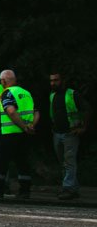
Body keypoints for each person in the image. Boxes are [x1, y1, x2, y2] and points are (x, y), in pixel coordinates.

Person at [0, 69, 39, 199]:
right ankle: (25, 191)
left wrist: (23, 126)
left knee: (0, 162)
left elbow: (11, 111)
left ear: (3, 81)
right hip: (24, 136)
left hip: (9, 134)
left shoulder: (7, 93)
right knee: (23, 163)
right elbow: (36, 112)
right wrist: (31, 126)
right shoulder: (26, 93)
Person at [48, 71, 89, 201]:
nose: (53, 83)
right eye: (51, 80)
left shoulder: (72, 94)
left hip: (70, 132)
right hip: (57, 133)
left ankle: (68, 188)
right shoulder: (52, 95)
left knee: (69, 161)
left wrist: (83, 127)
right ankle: (72, 187)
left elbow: (87, 110)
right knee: (63, 162)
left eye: (56, 80)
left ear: (62, 80)